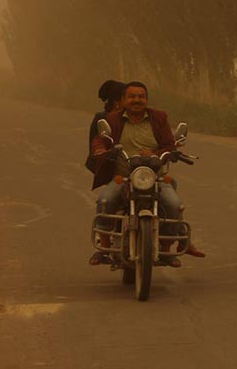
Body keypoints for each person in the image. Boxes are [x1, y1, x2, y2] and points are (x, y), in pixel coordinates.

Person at [90, 81, 203, 266]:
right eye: (132, 96)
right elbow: (100, 140)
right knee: (105, 200)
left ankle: (166, 250)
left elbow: (169, 144)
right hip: (123, 177)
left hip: (155, 177)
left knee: (174, 205)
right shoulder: (112, 119)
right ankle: (103, 248)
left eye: (141, 96)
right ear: (124, 100)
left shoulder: (159, 117)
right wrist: (100, 149)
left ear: (147, 99)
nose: (137, 100)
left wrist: (155, 154)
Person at [84, 80, 126, 172]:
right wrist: (101, 151)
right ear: (117, 102)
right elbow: (96, 145)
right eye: (126, 97)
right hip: (112, 167)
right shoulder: (102, 118)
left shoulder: (135, 116)